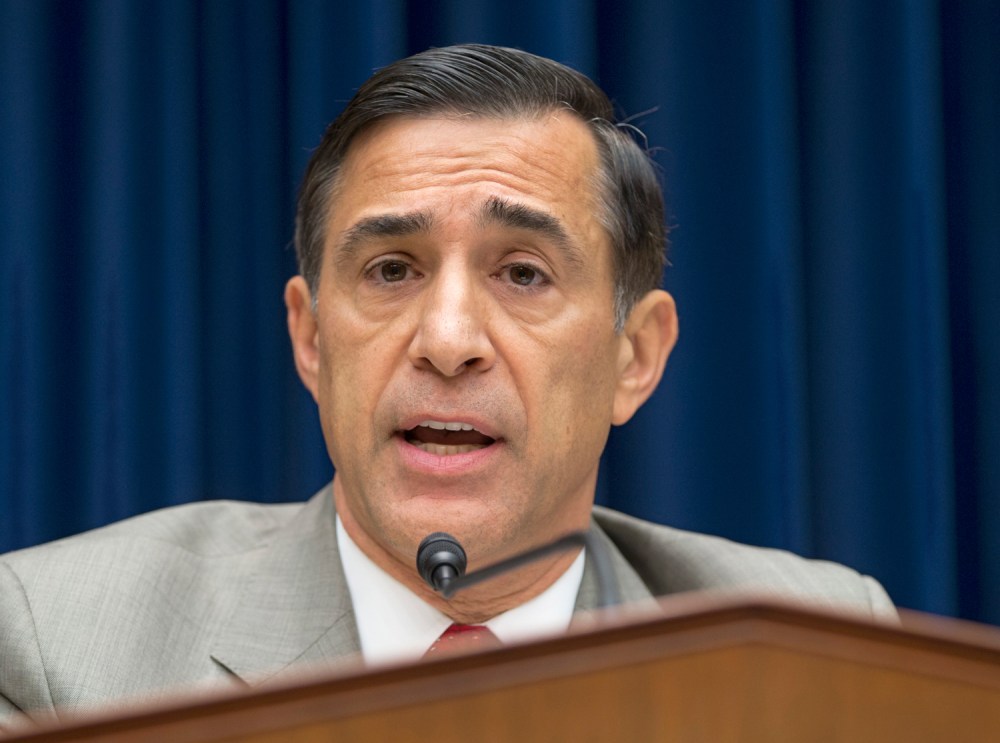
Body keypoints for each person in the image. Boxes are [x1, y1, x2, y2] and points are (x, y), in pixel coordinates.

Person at [0, 44, 895, 728]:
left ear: (635, 355)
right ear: (311, 339)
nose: (449, 339)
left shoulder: (822, 654)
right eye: (392, 270)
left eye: (524, 273)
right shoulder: (57, 648)